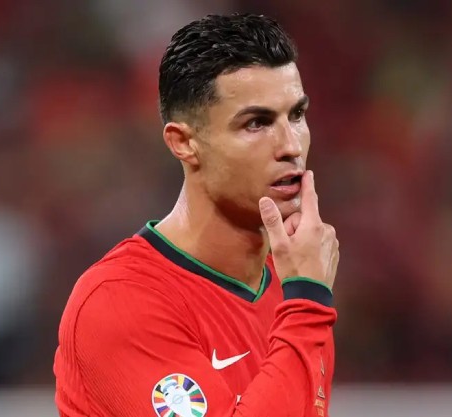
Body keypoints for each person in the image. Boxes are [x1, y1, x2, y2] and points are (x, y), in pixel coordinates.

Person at [54, 13, 339, 417]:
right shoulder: (119, 302)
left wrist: (305, 299)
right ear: (184, 143)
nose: (290, 145)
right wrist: (308, 306)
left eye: (296, 115)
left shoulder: (292, 282)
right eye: (256, 123)